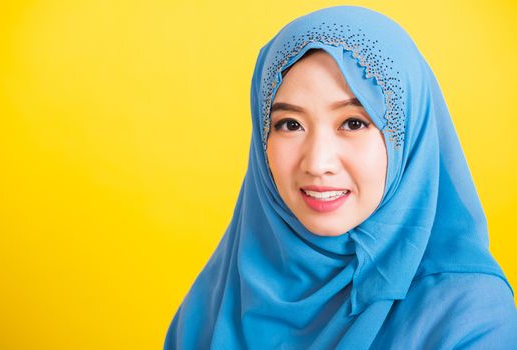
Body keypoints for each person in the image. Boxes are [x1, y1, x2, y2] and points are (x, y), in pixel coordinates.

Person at [164, 6, 517, 349]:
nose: (318, 163)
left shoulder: (469, 318)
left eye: (353, 123)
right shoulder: (213, 303)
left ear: (406, 137)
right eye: (290, 124)